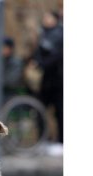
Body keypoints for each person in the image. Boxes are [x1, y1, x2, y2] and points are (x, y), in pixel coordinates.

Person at [35, 11, 63, 143]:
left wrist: (41, 63)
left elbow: (57, 56)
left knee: (60, 112)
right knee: (40, 110)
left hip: (58, 80)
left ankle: (61, 141)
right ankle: (42, 139)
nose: (45, 19)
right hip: (46, 79)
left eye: (48, 17)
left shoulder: (59, 34)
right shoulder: (43, 33)